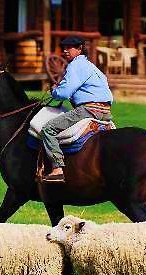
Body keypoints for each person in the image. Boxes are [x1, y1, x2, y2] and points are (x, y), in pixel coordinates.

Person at [41, 36, 113, 183]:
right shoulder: (93, 67)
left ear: (80, 49)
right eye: (64, 47)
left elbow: (65, 93)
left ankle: (57, 168)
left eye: (70, 47)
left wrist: (54, 91)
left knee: (48, 129)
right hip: (106, 113)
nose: (65, 50)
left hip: (88, 110)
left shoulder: (75, 65)